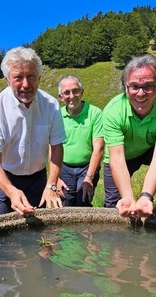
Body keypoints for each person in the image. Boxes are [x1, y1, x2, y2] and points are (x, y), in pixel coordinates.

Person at [101, 54, 156, 218]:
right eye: (134, 86)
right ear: (126, 87)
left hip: (150, 149)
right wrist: (128, 197)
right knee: (115, 207)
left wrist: (146, 196)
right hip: (121, 155)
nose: (140, 93)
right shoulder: (112, 111)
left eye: (148, 86)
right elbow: (117, 157)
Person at [0, 47, 66, 216]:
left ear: (39, 78)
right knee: (5, 236)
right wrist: (11, 191)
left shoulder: (51, 105)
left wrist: (52, 184)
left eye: (31, 77)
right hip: (6, 179)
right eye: (18, 78)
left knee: (43, 235)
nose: (26, 84)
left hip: (39, 179)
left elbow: (56, 147)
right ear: (7, 80)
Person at [56, 75, 104, 206]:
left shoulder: (95, 113)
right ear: (61, 97)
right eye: (66, 92)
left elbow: (98, 148)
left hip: (87, 167)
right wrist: (56, 177)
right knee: (65, 205)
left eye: (75, 91)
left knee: (83, 202)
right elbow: (52, 147)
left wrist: (89, 177)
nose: (71, 96)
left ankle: (86, 227)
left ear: (82, 92)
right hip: (64, 168)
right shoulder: (57, 115)